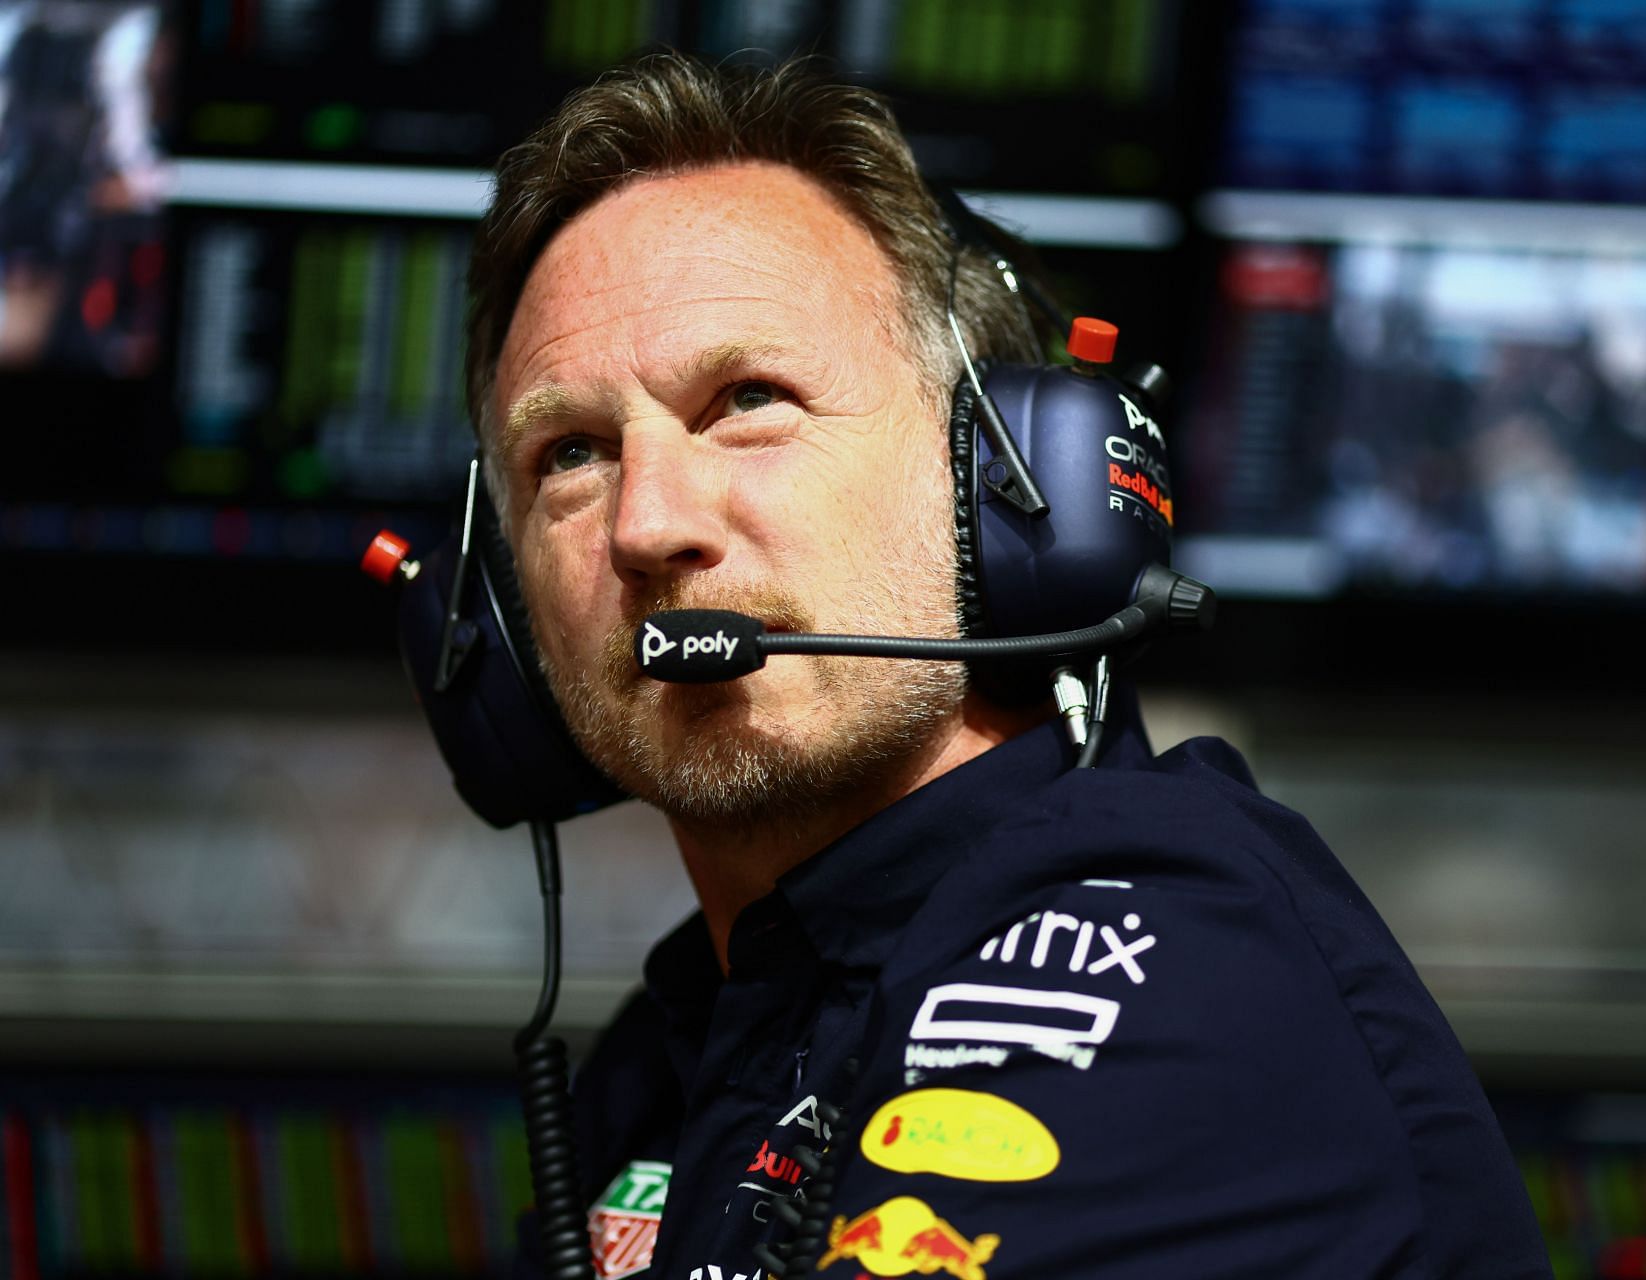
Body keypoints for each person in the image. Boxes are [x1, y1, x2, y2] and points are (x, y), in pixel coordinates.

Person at [466, 50, 1550, 1279]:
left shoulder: (1160, 961)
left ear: (1000, 483)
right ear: (498, 618)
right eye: (569, 454)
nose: (648, 521)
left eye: (749, 398)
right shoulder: (670, 1058)